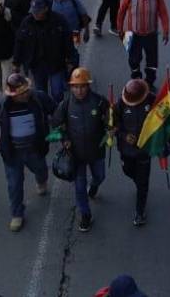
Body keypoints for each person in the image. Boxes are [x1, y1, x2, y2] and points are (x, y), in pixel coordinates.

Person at [0, 73, 57, 232]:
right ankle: (17, 214)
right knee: (14, 184)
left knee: (41, 169)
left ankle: (41, 181)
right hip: (12, 153)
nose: (25, 94)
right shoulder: (1, 104)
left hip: (35, 148)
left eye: (26, 91)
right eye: (21, 93)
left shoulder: (39, 98)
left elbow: (56, 111)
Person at [52, 67, 110, 232]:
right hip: (76, 155)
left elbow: (111, 119)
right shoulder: (66, 104)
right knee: (79, 187)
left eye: (83, 86)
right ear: (71, 87)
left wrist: (111, 127)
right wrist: (64, 139)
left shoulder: (100, 102)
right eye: (76, 87)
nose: (79, 90)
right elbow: (55, 124)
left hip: (96, 151)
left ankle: (94, 186)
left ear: (88, 85)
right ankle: (85, 215)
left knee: (100, 176)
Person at [12, 0, 78, 100]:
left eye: (38, 11)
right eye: (33, 11)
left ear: (46, 9)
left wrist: (71, 60)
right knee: (41, 94)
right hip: (36, 65)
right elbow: (19, 42)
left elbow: (68, 42)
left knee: (57, 93)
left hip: (56, 64)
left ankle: (58, 113)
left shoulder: (59, 21)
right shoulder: (27, 23)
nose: (35, 14)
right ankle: (45, 113)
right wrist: (16, 62)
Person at [116, 0, 170, 86]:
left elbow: (163, 14)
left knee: (152, 62)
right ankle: (136, 78)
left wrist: (166, 31)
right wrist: (120, 30)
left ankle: (149, 82)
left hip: (151, 35)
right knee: (134, 60)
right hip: (133, 35)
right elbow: (121, 13)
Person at [114, 78, 153, 227]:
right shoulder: (121, 104)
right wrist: (124, 136)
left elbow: (162, 113)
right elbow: (114, 123)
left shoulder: (152, 99)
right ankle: (138, 182)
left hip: (145, 150)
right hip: (127, 151)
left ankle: (140, 212)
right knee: (128, 171)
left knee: (143, 183)